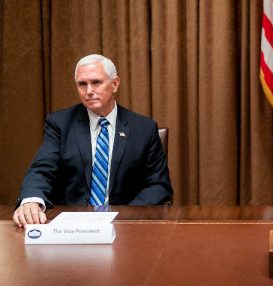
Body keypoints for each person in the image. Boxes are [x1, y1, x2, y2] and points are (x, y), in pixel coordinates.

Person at [13, 54, 173, 228]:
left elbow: (158, 185)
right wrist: (31, 199)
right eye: (82, 84)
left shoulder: (143, 128)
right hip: (71, 226)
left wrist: (121, 216)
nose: (89, 91)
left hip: (125, 227)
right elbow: (42, 168)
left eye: (96, 82)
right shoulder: (60, 123)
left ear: (115, 84)